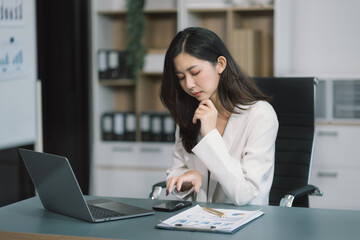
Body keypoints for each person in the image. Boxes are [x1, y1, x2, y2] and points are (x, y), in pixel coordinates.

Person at [160, 27, 278, 206]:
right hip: (200, 222)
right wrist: (185, 181)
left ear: (220, 64)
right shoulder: (189, 113)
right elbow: (177, 171)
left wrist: (210, 135)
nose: (189, 85)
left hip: (246, 225)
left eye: (195, 73)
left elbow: (246, 194)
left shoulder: (260, 116)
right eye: (181, 77)